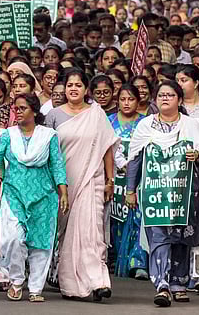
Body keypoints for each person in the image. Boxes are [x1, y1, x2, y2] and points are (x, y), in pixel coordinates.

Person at [125, 80, 199, 307]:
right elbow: (135, 159)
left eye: (170, 95)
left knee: (183, 237)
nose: (165, 98)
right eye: (161, 95)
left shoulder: (191, 126)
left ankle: (179, 283)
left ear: (180, 100)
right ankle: (162, 284)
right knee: (159, 238)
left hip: (185, 194)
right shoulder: (146, 126)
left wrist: (198, 157)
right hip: (156, 195)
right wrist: (130, 190)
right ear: (155, 100)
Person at [0, 93, 69, 303]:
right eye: (16, 109)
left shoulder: (49, 136)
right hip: (14, 195)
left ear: (34, 111)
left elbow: (57, 165)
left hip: (44, 196)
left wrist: (63, 191)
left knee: (41, 243)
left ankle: (35, 288)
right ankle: (16, 281)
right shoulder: (7, 135)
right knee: (13, 239)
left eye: (22, 108)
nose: (18, 112)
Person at [45, 68, 118, 301]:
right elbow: (46, 151)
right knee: (68, 234)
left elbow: (106, 148)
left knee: (92, 232)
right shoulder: (54, 115)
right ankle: (72, 283)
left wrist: (110, 180)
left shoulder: (96, 114)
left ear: (86, 89)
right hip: (64, 182)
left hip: (92, 180)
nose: (73, 89)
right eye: (69, 85)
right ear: (64, 89)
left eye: (78, 85)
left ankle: (99, 282)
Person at [108, 85, 148, 279]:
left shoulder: (145, 123)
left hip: (138, 178)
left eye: (131, 99)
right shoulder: (109, 121)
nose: (126, 103)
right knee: (116, 220)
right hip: (115, 177)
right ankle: (116, 258)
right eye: (123, 99)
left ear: (138, 100)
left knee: (138, 219)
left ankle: (137, 261)